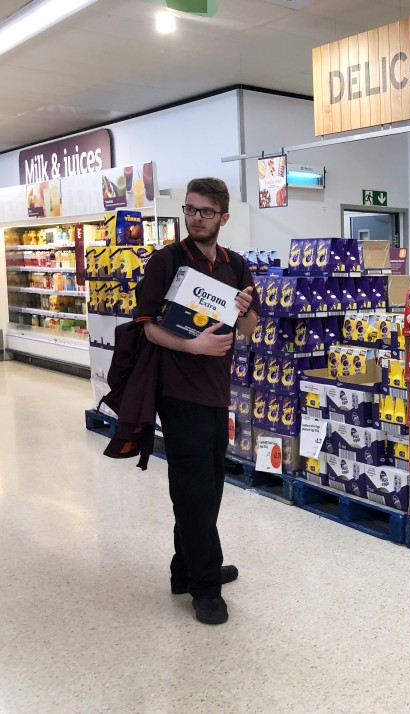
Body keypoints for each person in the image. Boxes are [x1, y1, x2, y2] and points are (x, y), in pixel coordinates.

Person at [135, 177, 260, 625]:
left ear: (224, 217)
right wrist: (192, 347)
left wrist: (244, 308)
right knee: (193, 489)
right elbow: (147, 326)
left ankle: (182, 568)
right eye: (190, 210)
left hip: (216, 392)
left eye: (206, 212)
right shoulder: (166, 261)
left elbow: (248, 329)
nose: (195, 218)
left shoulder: (236, 265)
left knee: (210, 484)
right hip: (178, 390)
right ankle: (205, 587)